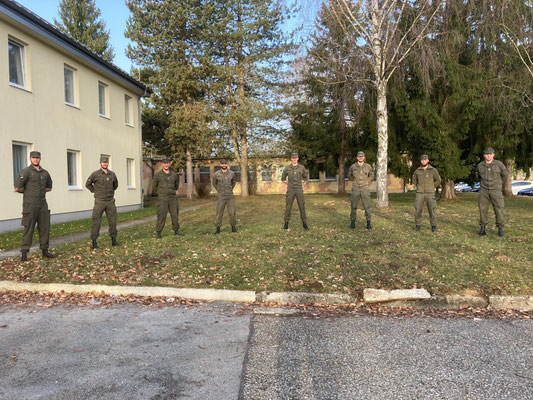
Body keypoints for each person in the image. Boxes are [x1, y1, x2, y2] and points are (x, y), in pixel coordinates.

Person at [14, 151, 56, 261]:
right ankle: (24, 253)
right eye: (33, 158)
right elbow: (17, 188)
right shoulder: (26, 171)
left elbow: (49, 188)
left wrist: (39, 191)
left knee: (44, 228)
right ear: (30, 159)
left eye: (37, 158)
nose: (36, 160)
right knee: (29, 228)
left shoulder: (45, 173)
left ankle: (45, 250)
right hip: (30, 205)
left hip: (43, 204)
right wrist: (29, 193)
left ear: (40, 159)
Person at [85, 156, 119, 248]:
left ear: (108, 163)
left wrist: (110, 193)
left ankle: (113, 240)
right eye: (103, 162)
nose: (105, 164)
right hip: (99, 201)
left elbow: (115, 185)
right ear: (100, 163)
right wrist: (95, 191)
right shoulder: (95, 174)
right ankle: (94, 242)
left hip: (110, 201)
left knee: (113, 221)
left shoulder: (112, 174)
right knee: (96, 221)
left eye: (106, 162)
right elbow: (88, 184)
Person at [475, 148, 509, 237]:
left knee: (499, 209)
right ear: (484, 155)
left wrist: (500, 184)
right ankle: (483, 228)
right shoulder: (480, 165)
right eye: (486, 154)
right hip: (484, 190)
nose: (488, 155)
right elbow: (477, 176)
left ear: (493, 154)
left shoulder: (499, 164)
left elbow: (505, 175)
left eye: (490, 154)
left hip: (496, 190)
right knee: (482, 209)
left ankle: (500, 228)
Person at [153, 158, 183, 238]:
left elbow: (176, 186)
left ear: (169, 164)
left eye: (167, 163)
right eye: (164, 163)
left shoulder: (174, 175)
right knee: (161, 216)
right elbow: (155, 187)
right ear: (162, 164)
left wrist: (171, 192)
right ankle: (159, 233)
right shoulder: (158, 175)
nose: (166, 165)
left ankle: (176, 231)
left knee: (175, 215)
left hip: (173, 198)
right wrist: (161, 194)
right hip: (163, 198)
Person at [412, 154, 441, 232]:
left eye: (425, 160)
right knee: (418, 209)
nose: (423, 161)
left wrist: (432, 186)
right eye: (422, 160)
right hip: (420, 193)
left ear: (428, 160)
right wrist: (417, 187)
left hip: (430, 193)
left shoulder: (433, 170)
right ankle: (418, 225)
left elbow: (438, 180)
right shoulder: (417, 170)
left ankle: (433, 226)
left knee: (432, 209)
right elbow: (414, 181)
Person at [281, 153, 309, 230]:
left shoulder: (301, 167)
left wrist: (302, 181)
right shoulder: (287, 168)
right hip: (290, 189)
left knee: (302, 206)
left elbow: (305, 176)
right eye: (293, 158)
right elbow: (283, 178)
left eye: (295, 158)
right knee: (288, 206)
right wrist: (288, 183)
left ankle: (304, 223)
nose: (294, 159)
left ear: (297, 159)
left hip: (299, 189)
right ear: (291, 159)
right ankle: (286, 223)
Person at [348, 151, 374, 230]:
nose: (360, 158)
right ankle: (352, 223)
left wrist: (367, 181)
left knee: (367, 206)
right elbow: (349, 175)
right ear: (357, 157)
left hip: (364, 188)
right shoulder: (353, 166)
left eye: (362, 156)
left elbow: (372, 175)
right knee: (353, 206)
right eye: (359, 156)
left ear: (364, 157)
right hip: (355, 187)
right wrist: (354, 181)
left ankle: (368, 223)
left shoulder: (368, 166)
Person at [212, 159, 236, 234]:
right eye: (222, 164)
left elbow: (233, 182)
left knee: (232, 212)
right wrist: (219, 190)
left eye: (225, 164)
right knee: (219, 212)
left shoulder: (232, 173)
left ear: (227, 164)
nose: (224, 165)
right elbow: (214, 183)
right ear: (220, 165)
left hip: (230, 196)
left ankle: (233, 227)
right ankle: (218, 228)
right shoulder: (216, 174)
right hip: (221, 196)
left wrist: (229, 190)